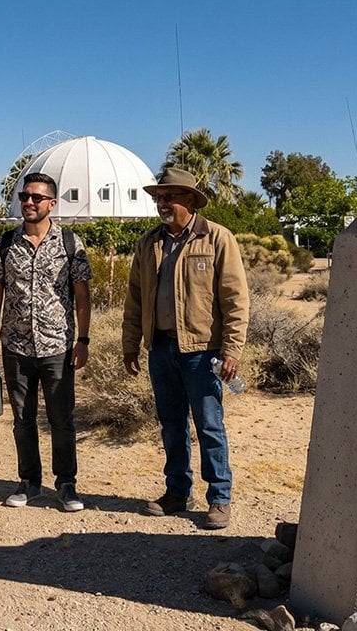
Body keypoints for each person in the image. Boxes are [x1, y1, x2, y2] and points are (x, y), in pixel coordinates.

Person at [121, 166, 249, 530]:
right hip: (161, 348)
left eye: (169, 197)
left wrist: (232, 349)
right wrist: (131, 344)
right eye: (158, 197)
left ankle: (219, 497)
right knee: (171, 424)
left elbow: (236, 299)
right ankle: (177, 492)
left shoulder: (216, 239)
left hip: (202, 351)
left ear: (189, 199)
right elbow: (134, 298)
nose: (161, 203)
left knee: (209, 424)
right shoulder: (149, 243)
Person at [0, 173, 92, 512]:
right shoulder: (5, 244)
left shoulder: (71, 244)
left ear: (52, 204)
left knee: (62, 419)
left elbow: (83, 298)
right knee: (22, 419)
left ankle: (66, 484)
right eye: (24, 196)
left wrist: (83, 340)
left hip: (58, 347)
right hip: (16, 348)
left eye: (37, 198)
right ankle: (29, 482)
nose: (28, 202)